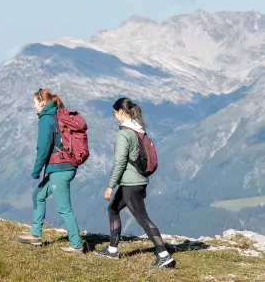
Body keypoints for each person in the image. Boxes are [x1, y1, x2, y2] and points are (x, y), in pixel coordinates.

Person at [95, 97, 176, 268]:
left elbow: (120, 163)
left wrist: (110, 185)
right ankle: (112, 249)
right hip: (137, 180)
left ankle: (164, 255)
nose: (114, 115)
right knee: (114, 208)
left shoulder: (124, 133)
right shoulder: (138, 129)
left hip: (131, 184)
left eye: (114, 112)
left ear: (121, 112)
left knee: (141, 217)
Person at [17, 88, 83, 254]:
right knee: (38, 195)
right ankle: (35, 234)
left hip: (60, 169)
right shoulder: (58, 114)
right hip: (64, 167)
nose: (33, 107)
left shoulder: (46, 119)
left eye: (34, 103)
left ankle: (76, 245)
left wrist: (36, 171)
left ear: (42, 103)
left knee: (64, 208)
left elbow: (43, 148)